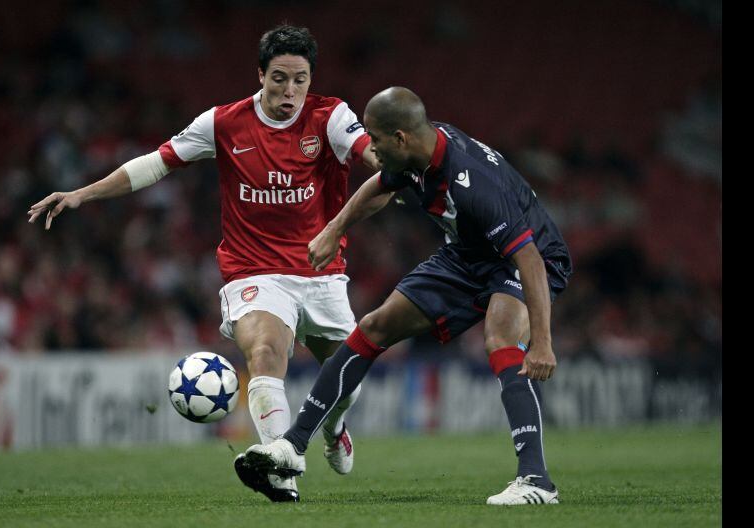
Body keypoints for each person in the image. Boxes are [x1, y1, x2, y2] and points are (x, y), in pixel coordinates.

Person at [27, 25, 381, 503]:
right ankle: (280, 467)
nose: (290, 91)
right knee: (265, 355)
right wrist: (82, 193)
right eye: (279, 78)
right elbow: (155, 163)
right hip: (253, 271)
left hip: (322, 274)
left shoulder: (331, 116)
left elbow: (372, 158)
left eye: (300, 79)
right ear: (260, 74)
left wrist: (390, 173)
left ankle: (334, 427)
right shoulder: (224, 123)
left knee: (344, 383)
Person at [239, 86, 573, 506]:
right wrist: (335, 228)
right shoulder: (416, 151)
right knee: (374, 326)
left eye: (376, 140)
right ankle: (292, 446)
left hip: (528, 258)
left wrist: (542, 342)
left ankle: (537, 481)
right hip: (467, 255)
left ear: (400, 138)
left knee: (501, 337)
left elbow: (529, 260)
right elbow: (380, 184)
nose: (372, 149)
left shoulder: (472, 182)